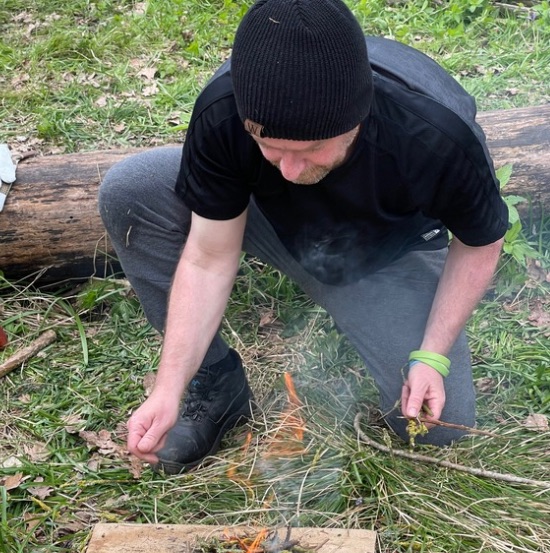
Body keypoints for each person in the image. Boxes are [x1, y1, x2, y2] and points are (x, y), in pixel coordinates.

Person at [99, 0, 508, 474]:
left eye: (312, 148)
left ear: (358, 118)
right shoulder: (227, 109)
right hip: (274, 220)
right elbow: (209, 255)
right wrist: (168, 386)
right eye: (270, 147)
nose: (290, 170)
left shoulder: (434, 135)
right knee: (133, 189)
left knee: (441, 425)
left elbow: (480, 243)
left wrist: (431, 355)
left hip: (386, 257)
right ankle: (215, 382)